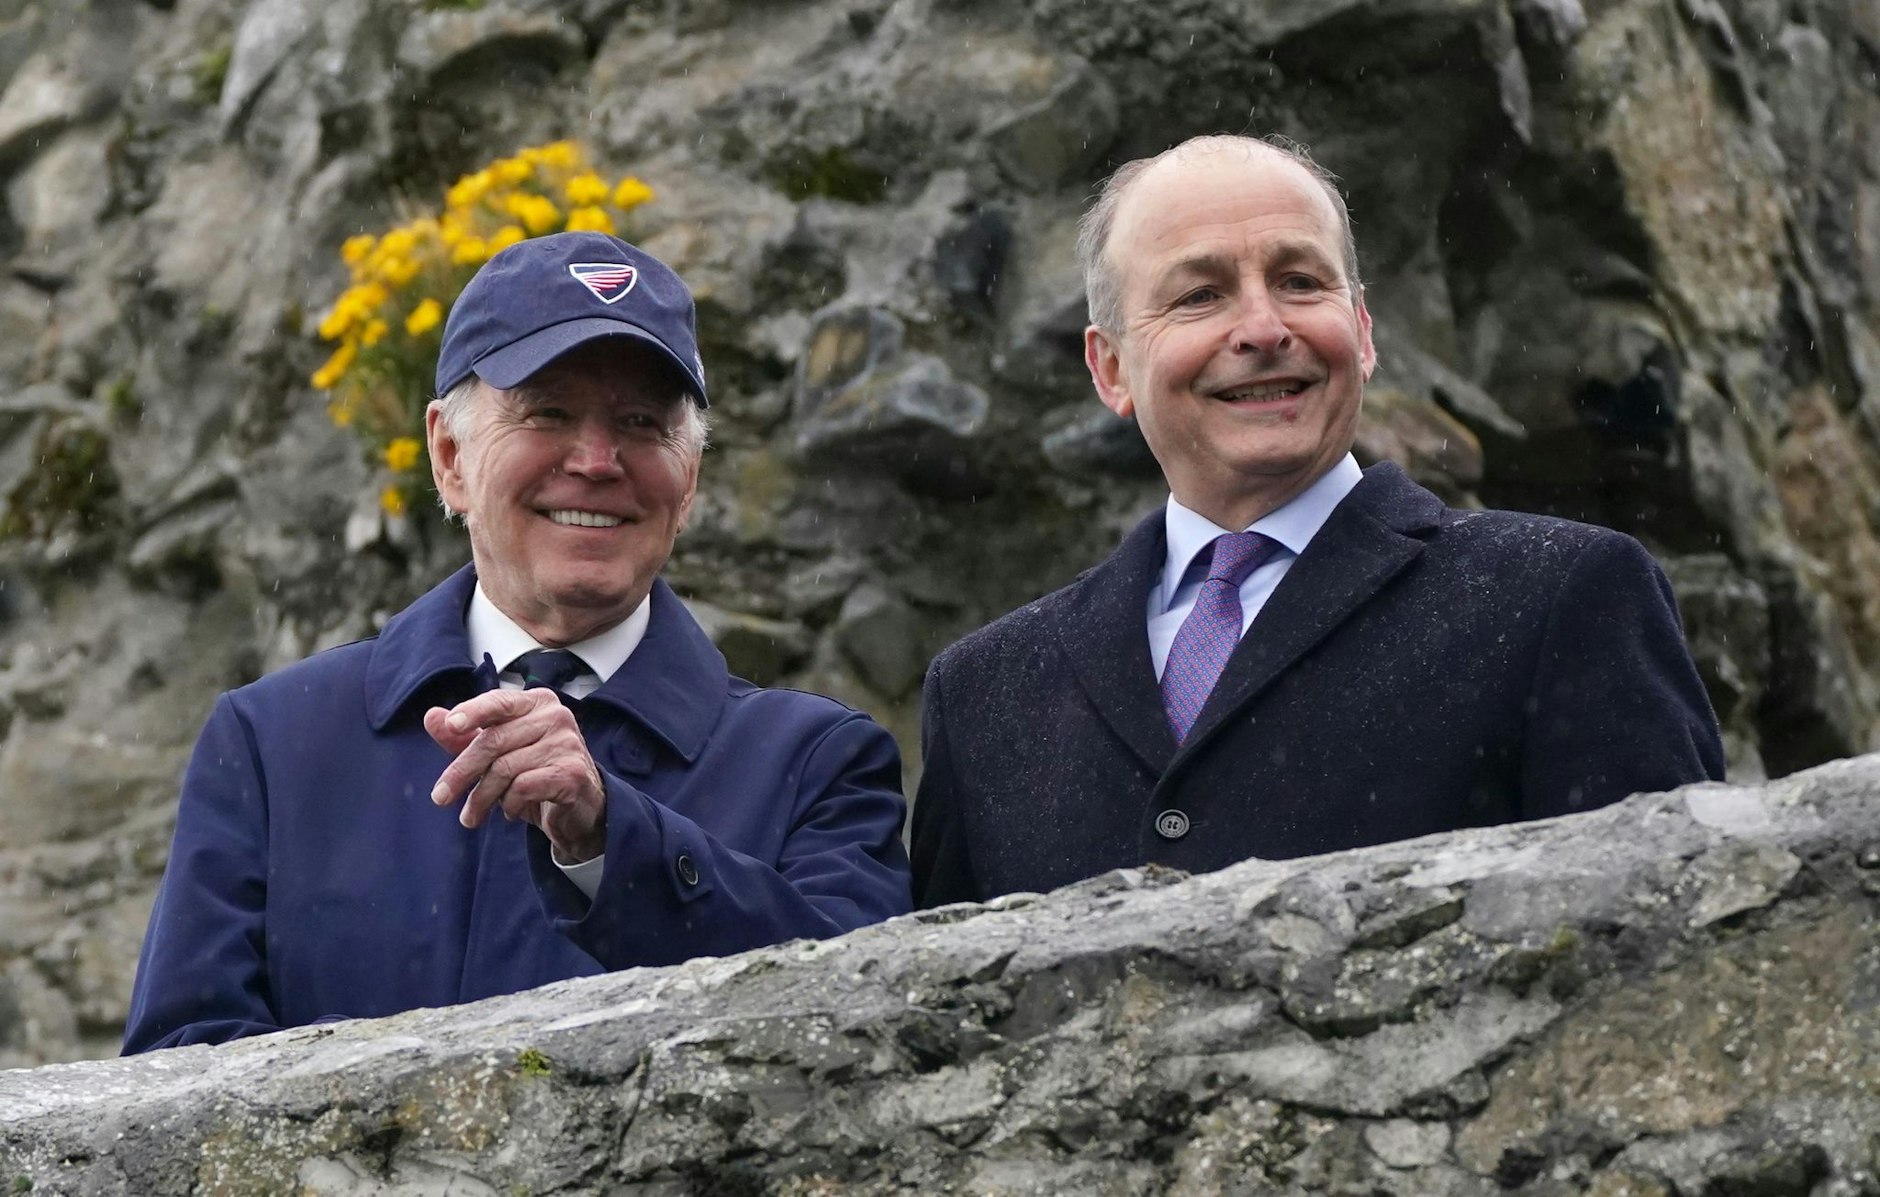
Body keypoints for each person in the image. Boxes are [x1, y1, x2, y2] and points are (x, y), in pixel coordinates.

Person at [125, 232, 912, 1052]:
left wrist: (613, 839)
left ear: (690, 482)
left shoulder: (817, 764)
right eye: (549, 410)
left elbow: (860, 1040)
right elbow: (175, 1073)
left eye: (643, 421)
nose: (599, 460)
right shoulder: (274, 744)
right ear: (449, 455)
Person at [910, 135, 1725, 906]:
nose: (1265, 329)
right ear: (1111, 366)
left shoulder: (1560, 596)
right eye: (1200, 295)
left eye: (1301, 281)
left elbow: (1668, 953)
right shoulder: (984, 694)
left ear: (1363, 334)